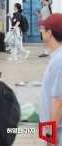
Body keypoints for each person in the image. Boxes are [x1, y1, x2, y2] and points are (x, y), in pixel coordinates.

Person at [38, 13, 62, 145]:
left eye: (44, 29)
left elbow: (58, 101)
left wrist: (50, 136)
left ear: (50, 32)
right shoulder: (56, 56)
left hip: (56, 132)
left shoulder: (59, 61)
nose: (41, 31)